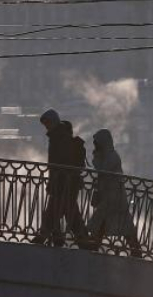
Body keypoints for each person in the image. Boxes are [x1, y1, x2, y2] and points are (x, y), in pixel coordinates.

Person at [32, 109, 88, 247]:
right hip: (65, 181)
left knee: (55, 210)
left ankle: (45, 236)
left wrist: (56, 178)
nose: (46, 126)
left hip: (64, 181)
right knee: (69, 212)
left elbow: (61, 161)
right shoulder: (58, 135)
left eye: (47, 123)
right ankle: (81, 240)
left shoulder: (60, 136)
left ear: (53, 121)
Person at [86, 129, 143, 258]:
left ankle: (135, 249)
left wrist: (96, 158)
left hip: (116, 197)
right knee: (102, 220)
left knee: (123, 223)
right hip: (109, 197)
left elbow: (103, 170)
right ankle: (95, 243)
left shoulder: (112, 156)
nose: (95, 145)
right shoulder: (107, 156)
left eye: (97, 143)